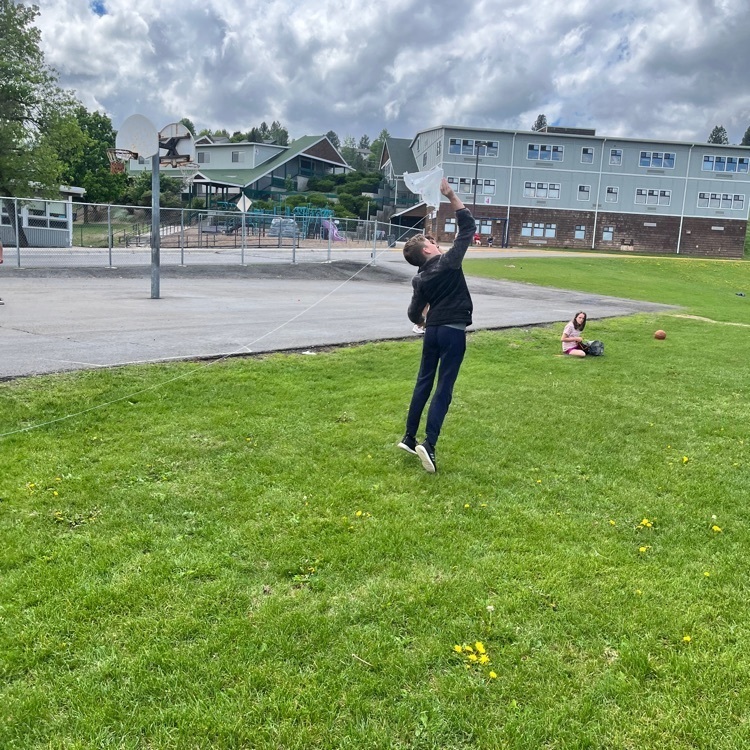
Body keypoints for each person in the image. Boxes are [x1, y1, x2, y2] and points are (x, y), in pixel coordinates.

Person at [397, 178, 476, 473]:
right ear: (427, 251)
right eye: (431, 242)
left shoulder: (420, 278)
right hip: (453, 332)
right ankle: (428, 445)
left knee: (423, 383)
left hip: (432, 333)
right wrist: (451, 195)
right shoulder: (448, 262)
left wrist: (423, 319)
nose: (436, 243)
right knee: (444, 388)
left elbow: (413, 314)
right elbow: (468, 228)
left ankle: (409, 436)